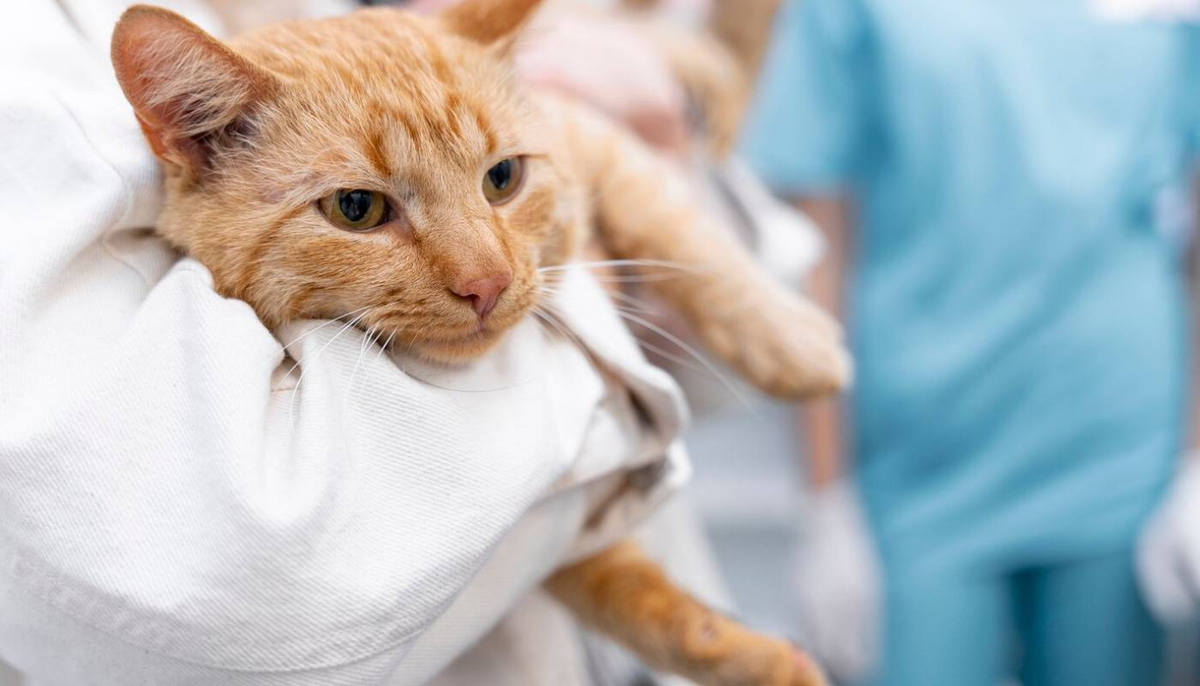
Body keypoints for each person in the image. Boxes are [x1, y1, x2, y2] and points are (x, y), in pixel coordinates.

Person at [742, 1, 1200, 684]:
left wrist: (1195, 459)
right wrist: (826, 498)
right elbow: (814, 246)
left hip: (1117, 454)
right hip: (922, 466)